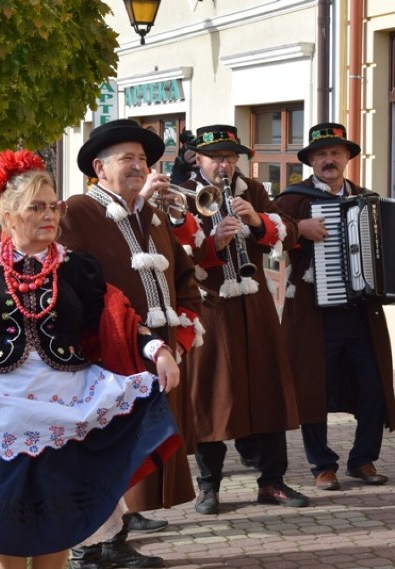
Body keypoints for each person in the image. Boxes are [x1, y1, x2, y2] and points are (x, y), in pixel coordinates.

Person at [0, 149, 182, 569]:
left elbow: (117, 317)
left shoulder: (75, 267)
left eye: (54, 206)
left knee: (59, 520)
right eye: (36, 207)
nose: (49, 215)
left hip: (66, 407)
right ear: (9, 215)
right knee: (8, 526)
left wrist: (156, 349)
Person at [61, 119, 204, 569]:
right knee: (98, 451)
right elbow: (69, 288)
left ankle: (115, 541)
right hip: (103, 357)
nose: (139, 165)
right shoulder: (78, 212)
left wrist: (179, 334)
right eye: (128, 158)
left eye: (143, 158)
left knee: (128, 452)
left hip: (157, 356)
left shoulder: (152, 214)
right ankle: (87, 548)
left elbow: (184, 279)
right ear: (100, 169)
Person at [167, 124, 308, 514]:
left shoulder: (254, 190)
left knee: (268, 391)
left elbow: (291, 233)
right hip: (211, 308)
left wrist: (259, 220)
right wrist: (215, 244)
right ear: (199, 158)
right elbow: (177, 258)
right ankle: (209, 486)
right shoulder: (181, 196)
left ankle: (273, 482)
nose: (226, 165)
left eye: (231, 157)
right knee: (211, 397)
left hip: (255, 307)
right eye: (218, 158)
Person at [274, 122, 395, 491]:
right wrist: (300, 230)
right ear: (311, 160)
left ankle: (363, 459)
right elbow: (268, 234)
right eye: (322, 154)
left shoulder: (367, 198)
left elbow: (393, 245)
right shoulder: (292, 200)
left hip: (361, 313)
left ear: (347, 158)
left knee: (373, 385)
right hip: (313, 315)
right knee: (313, 388)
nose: (329, 159)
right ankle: (321, 465)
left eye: (336, 153)